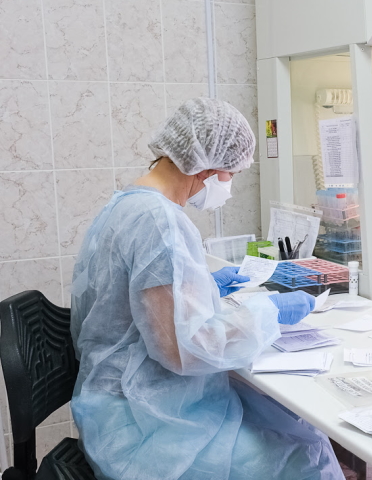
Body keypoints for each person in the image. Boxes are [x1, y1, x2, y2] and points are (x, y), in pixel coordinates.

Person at [70, 98, 344, 480]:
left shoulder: (126, 204)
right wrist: (269, 312)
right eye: (231, 173)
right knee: (305, 453)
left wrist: (204, 287)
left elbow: (132, 302)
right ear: (208, 168)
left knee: (291, 424)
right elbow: (183, 351)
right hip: (143, 421)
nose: (228, 185)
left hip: (121, 402)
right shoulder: (158, 221)